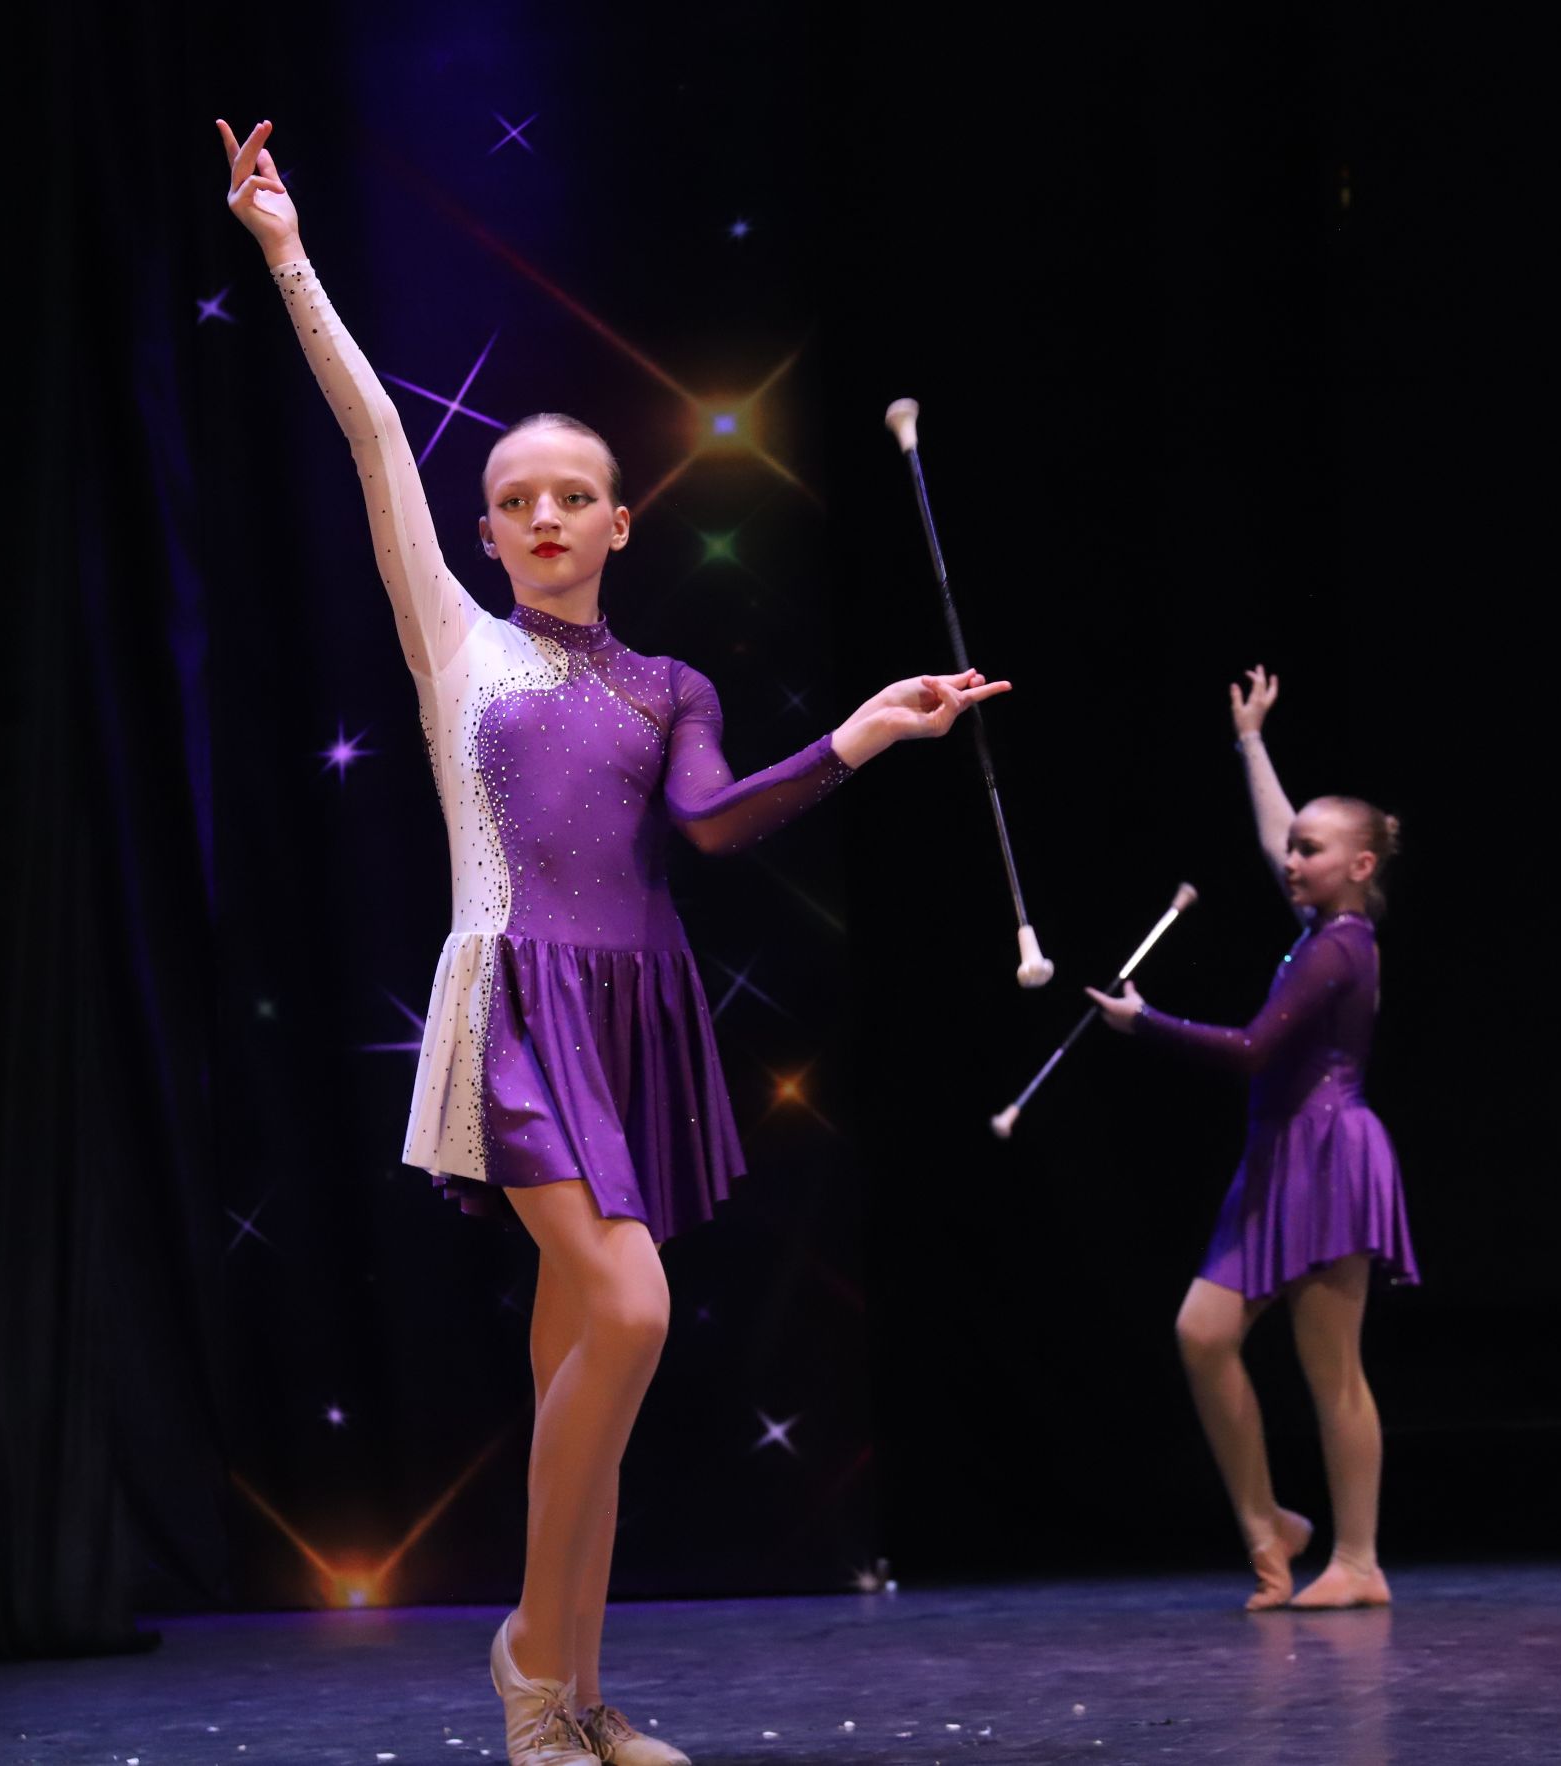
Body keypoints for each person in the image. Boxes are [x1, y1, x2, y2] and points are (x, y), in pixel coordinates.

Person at [216, 119, 1010, 1763]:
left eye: (573, 496)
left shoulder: (671, 690)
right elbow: (374, 430)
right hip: (515, 1004)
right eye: (515, 501)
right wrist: (286, 253)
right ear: (486, 533)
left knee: (587, 1376)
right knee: (629, 1316)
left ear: (620, 523)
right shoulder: (457, 647)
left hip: (634, 1018)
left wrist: (863, 734)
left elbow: (711, 827)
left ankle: (569, 1698)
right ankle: (527, 1653)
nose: (544, 516)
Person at [1088, 666, 1415, 1611]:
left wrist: (1145, 1023)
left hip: (1329, 1159)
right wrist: (1252, 741)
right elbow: (1279, 836)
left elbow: (1252, 1050)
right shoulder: (1323, 923)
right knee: (1202, 1333)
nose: (1291, 860)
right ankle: (1269, 1526)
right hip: (1278, 1155)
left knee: (1331, 1369)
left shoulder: (1341, 949)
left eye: (1313, 851)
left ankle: (1359, 1562)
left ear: (1360, 868)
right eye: (1295, 849)